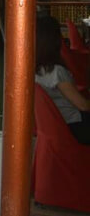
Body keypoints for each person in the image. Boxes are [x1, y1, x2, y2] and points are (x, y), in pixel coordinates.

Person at [35, 16, 90, 144]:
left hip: (55, 124)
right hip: (73, 126)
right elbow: (83, 105)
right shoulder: (56, 71)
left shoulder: (33, 71)